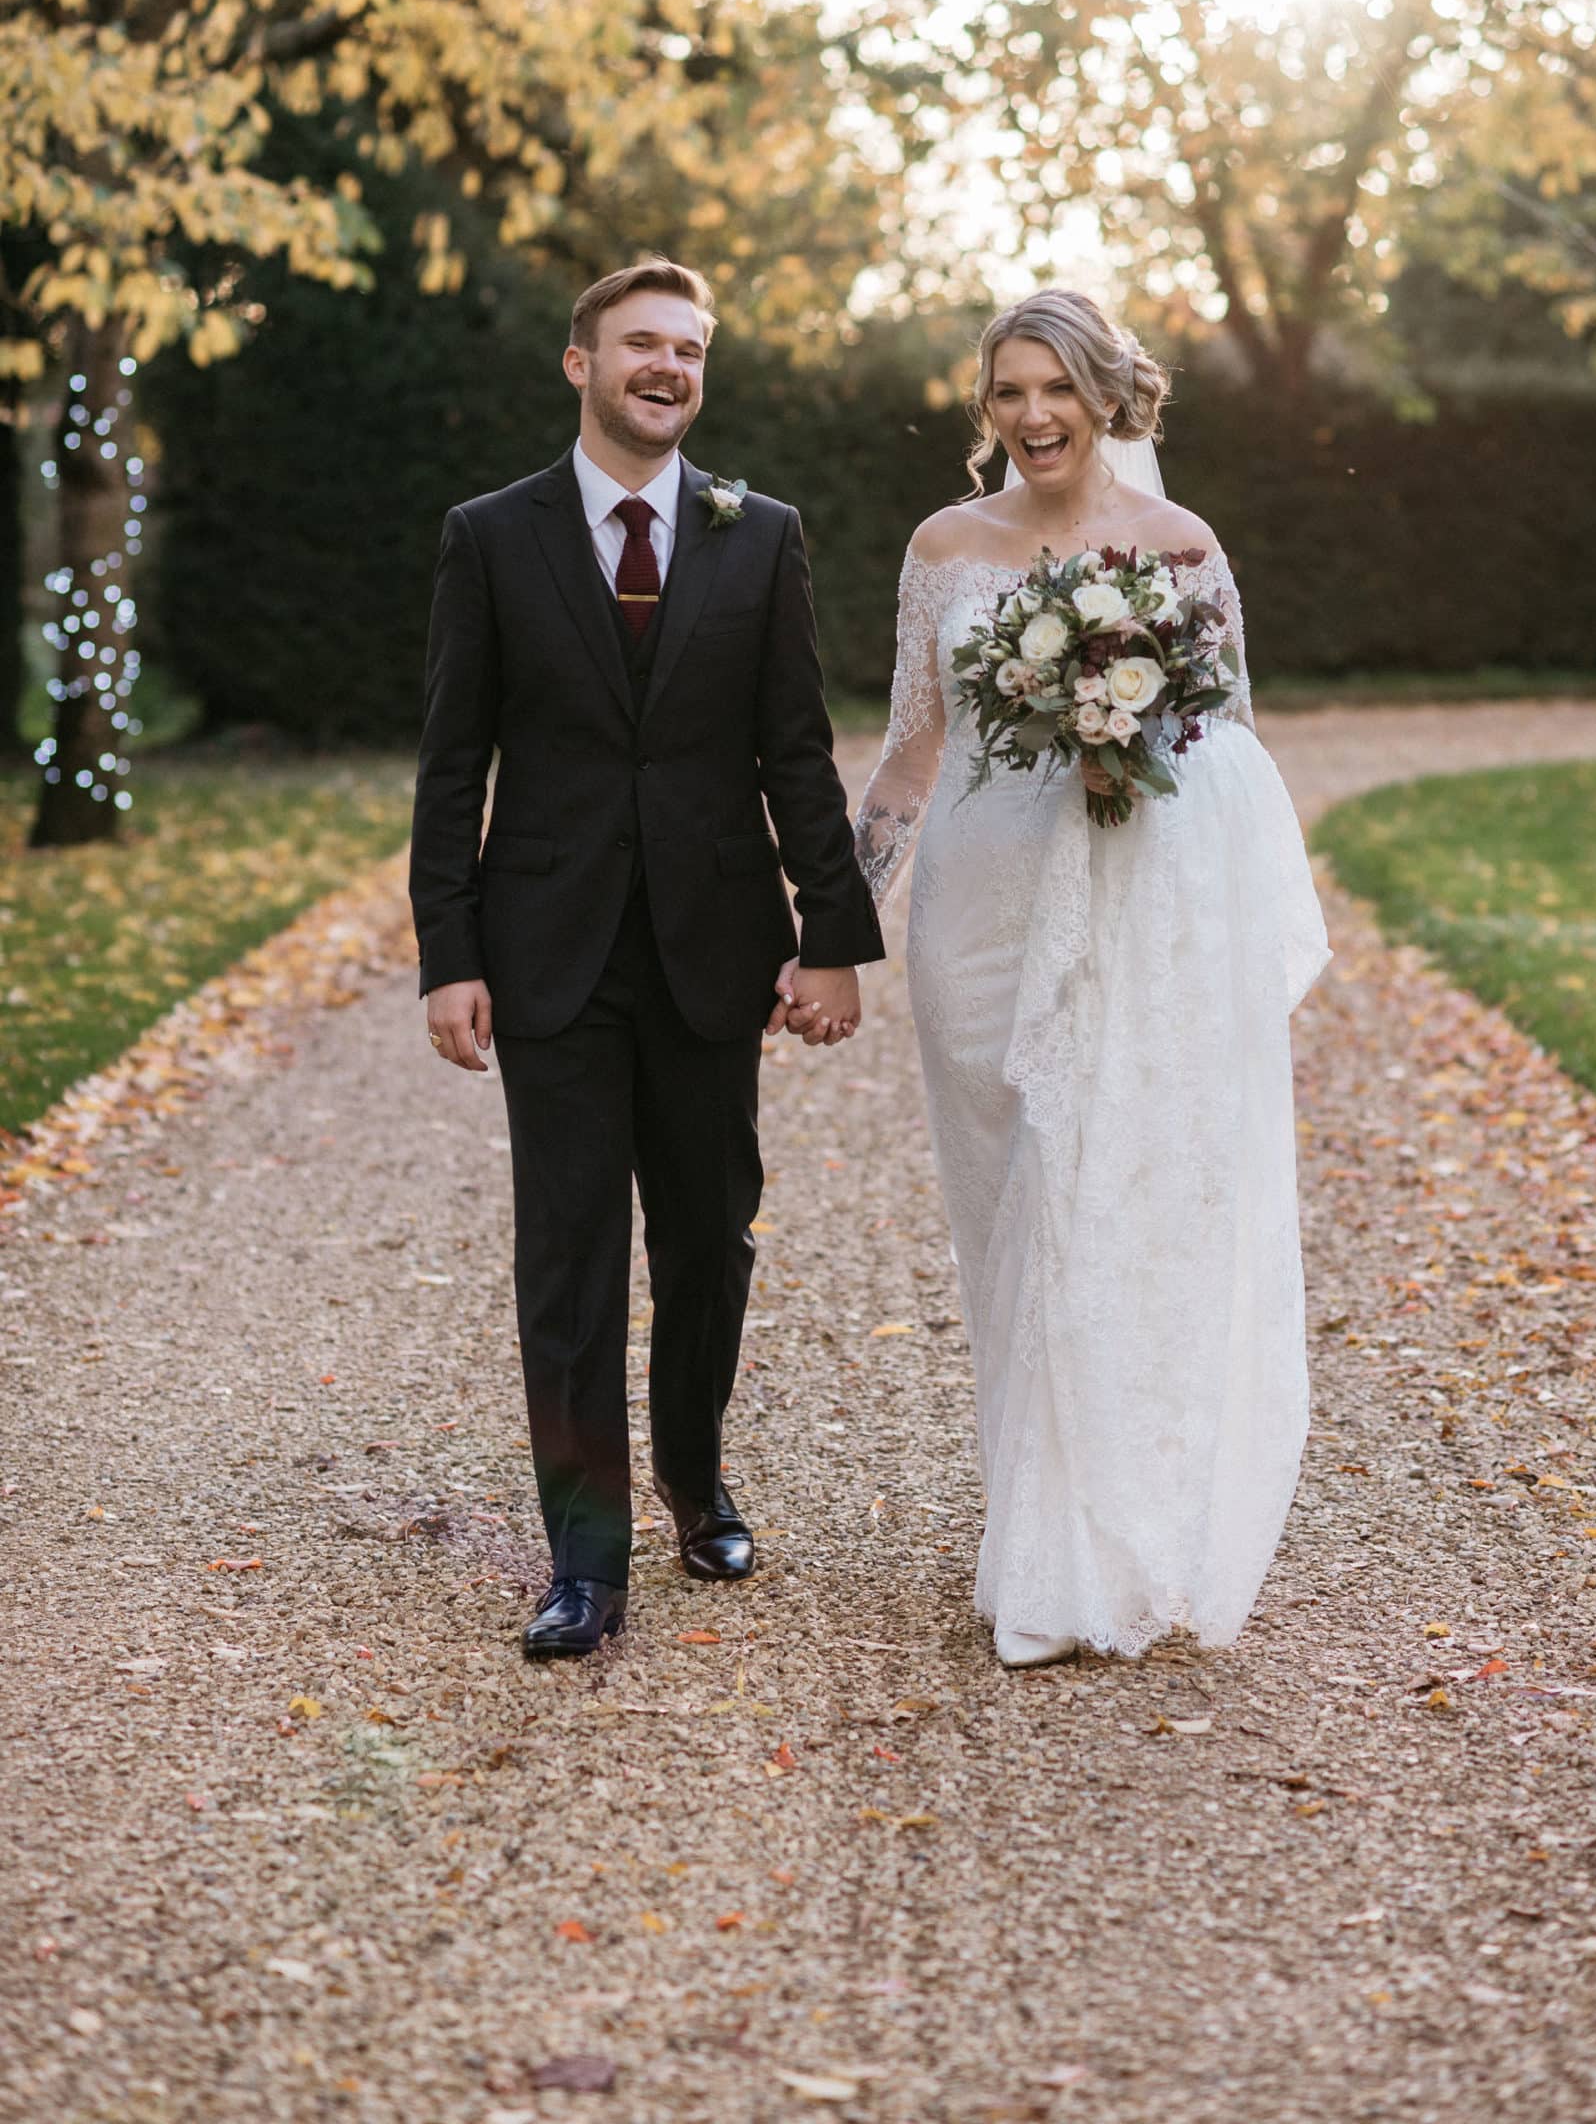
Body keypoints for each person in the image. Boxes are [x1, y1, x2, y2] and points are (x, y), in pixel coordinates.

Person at [409, 257, 883, 1658]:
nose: (666, 368)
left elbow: (796, 753)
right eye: (640, 346)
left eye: (687, 349)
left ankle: (694, 1477)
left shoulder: (760, 534)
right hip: (546, 950)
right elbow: (452, 763)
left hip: (709, 952)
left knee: (707, 1241)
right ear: (582, 365)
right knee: (566, 1260)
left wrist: (836, 937)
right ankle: (587, 1560)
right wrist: (449, 951)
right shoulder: (491, 537)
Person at [853, 289, 1329, 1668]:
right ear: (987, 408)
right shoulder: (945, 549)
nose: (1033, 415)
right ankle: (1034, 1513)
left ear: (1108, 395)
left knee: (1103, 1208)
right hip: (974, 929)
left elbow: (1229, 758)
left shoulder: (1179, 551)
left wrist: (1124, 739)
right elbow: (907, 755)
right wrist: (830, 919)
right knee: (1007, 1222)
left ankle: (1101, 1545)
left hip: (1125, 924)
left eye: (1054, 386)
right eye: (1008, 391)